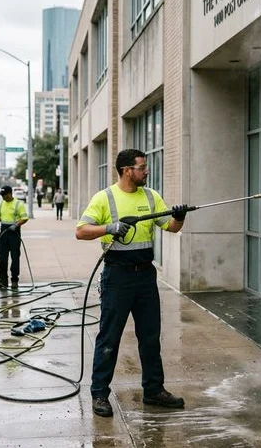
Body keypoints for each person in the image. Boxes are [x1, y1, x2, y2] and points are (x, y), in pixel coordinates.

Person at [76, 148, 189, 418]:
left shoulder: (151, 196)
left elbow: (171, 227)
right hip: (117, 276)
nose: (146, 171)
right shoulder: (104, 198)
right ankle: (100, 393)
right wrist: (109, 228)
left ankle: (154, 390)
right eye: (142, 167)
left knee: (150, 337)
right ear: (127, 170)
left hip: (145, 276)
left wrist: (180, 215)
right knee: (109, 337)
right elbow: (81, 231)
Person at [0, 185, 29, 290]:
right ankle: (3, 281)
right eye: (2, 195)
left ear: (10, 194)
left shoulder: (18, 204)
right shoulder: (2, 203)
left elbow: (25, 218)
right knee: (2, 258)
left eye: (4, 195)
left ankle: (14, 281)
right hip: (3, 233)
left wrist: (16, 225)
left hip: (14, 233)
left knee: (15, 258)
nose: (3, 197)